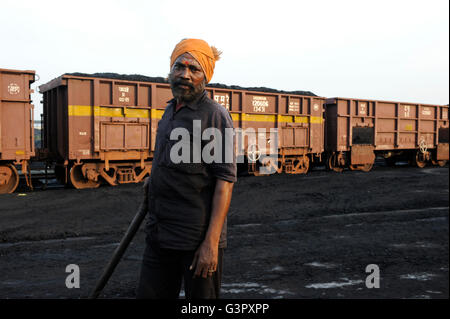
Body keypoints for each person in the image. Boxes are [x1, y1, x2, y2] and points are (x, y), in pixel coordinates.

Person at [136, 38, 236, 299]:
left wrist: (211, 244)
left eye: (194, 69)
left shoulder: (215, 115)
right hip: (159, 234)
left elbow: (224, 183)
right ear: (171, 70)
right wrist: (154, 180)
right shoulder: (169, 111)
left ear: (205, 76)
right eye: (179, 67)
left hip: (196, 240)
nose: (185, 75)